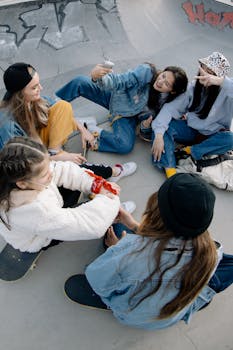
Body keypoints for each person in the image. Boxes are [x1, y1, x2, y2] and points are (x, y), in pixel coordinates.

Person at [64, 173, 233, 330]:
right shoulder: (212, 251)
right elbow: (167, 246)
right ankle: (202, 298)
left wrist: (116, 248)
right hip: (174, 313)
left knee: (115, 231)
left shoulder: (128, 252)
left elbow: (95, 278)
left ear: (156, 214)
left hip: (137, 317)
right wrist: (133, 226)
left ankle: (112, 304)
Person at [0, 62, 137, 182]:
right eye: (34, 87)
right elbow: (23, 167)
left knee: (63, 106)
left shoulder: (31, 100)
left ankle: (55, 152)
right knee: (72, 168)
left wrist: (83, 131)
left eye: (39, 84)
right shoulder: (8, 127)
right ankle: (111, 172)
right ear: (19, 93)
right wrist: (56, 160)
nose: (40, 89)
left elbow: (59, 107)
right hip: (30, 167)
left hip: (42, 146)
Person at [0, 136, 124, 253]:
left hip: (47, 202)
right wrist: (110, 199)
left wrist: (97, 185)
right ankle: (112, 214)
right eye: (44, 174)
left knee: (75, 174)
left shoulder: (25, 175)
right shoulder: (36, 211)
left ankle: (106, 205)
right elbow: (92, 225)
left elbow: (62, 170)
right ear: (22, 184)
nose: (51, 172)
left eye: (49, 163)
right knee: (81, 217)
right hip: (39, 237)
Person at [55, 62, 188, 154]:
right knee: (80, 82)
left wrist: (145, 126)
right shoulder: (147, 73)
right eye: (163, 76)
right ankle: (51, 106)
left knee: (125, 145)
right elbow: (121, 80)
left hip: (126, 117)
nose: (160, 82)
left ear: (172, 91)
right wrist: (100, 78)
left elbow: (143, 132)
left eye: (166, 83)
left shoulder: (166, 105)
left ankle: (91, 129)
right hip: (116, 97)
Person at [151, 52, 233, 178]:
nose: (206, 75)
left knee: (230, 139)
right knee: (162, 128)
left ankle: (190, 151)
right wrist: (158, 135)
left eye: (212, 72)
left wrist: (220, 82)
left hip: (214, 135)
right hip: (191, 130)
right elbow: (170, 109)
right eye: (204, 69)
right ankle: (171, 172)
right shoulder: (193, 87)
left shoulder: (227, 92)